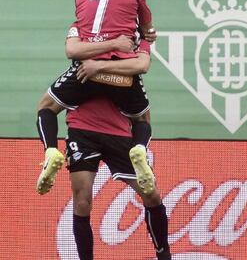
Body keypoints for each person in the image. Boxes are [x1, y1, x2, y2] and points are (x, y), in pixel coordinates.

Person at [36, 0, 156, 196]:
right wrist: (144, 34)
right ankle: (140, 148)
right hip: (122, 73)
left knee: (46, 107)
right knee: (142, 120)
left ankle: (50, 150)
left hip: (86, 71)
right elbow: (146, 37)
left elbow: (72, 49)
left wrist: (97, 62)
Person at [65, 89, 171, 260]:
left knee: (152, 194)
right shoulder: (81, 67)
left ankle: (164, 255)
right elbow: (49, 105)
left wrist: (140, 145)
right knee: (82, 201)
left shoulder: (131, 71)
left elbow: (143, 118)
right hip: (82, 131)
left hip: (119, 132)